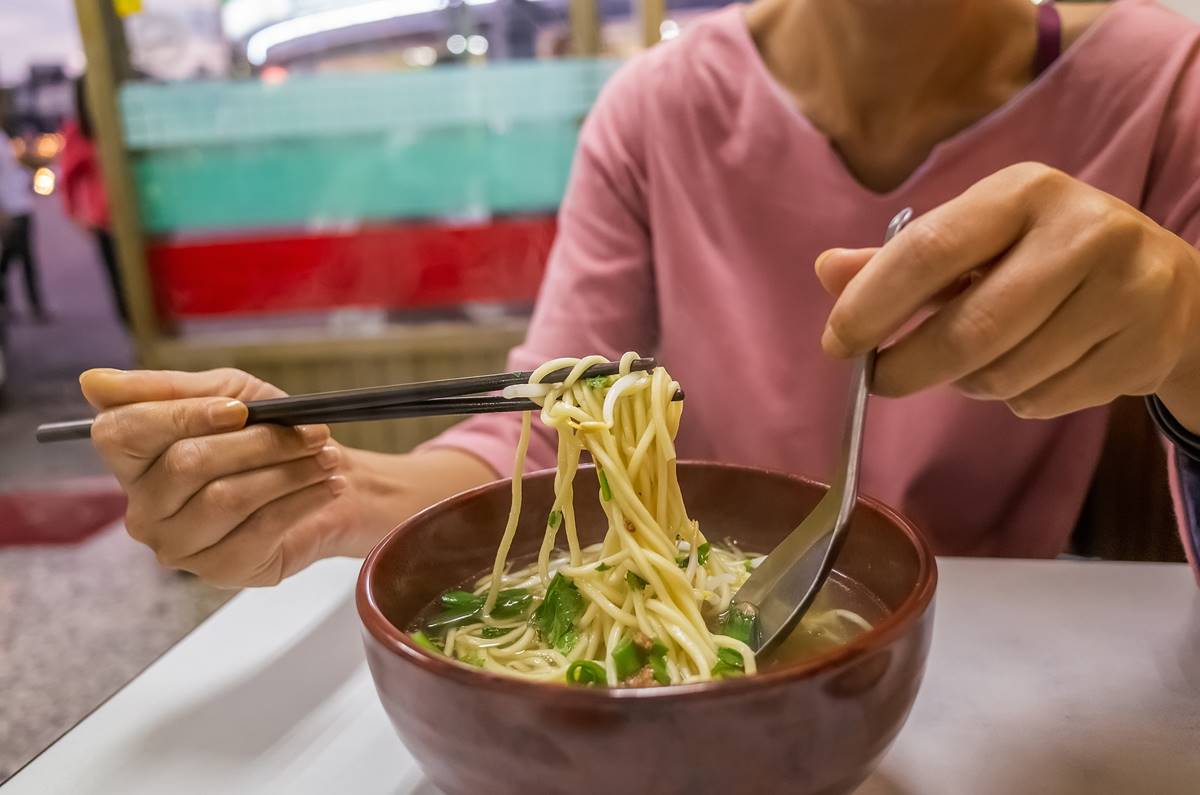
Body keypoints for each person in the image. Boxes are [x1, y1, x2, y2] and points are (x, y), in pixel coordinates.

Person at [78, 0, 1200, 588]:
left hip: (997, 651)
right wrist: (327, 494)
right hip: (702, 630)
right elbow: (547, 431)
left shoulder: (1165, 81)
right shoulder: (655, 110)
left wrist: (1189, 342)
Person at [59, 77, 128, 326]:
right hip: (108, 221)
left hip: (139, 216)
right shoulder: (79, 131)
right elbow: (67, 177)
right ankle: (137, 340)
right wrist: (75, 213)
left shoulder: (123, 121)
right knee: (124, 287)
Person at [0, 129, 46, 322]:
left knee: (27, 258)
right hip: (9, 209)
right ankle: (8, 304)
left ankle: (34, 305)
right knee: (10, 257)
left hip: (21, 204)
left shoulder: (3, 135)